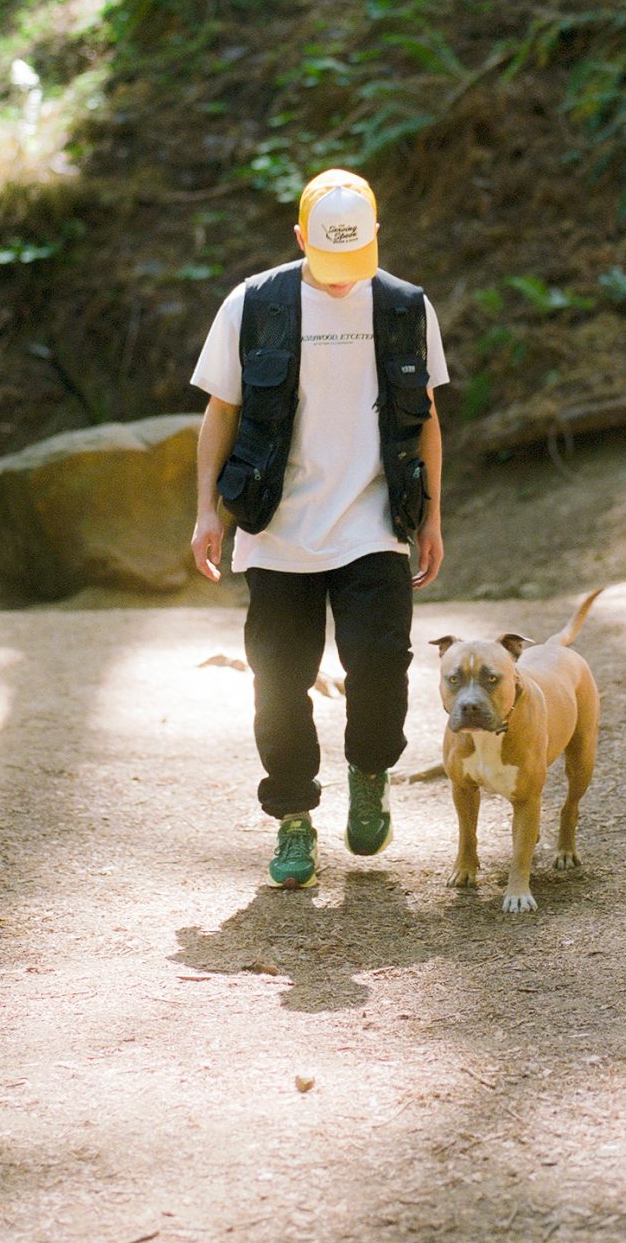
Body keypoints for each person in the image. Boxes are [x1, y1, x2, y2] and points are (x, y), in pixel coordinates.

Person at [189, 168, 448, 889]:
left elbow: (425, 419)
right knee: (278, 684)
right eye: (325, 262)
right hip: (275, 529)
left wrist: (430, 518)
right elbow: (221, 414)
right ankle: (294, 820)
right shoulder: (253, 304)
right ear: (300, 238)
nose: (339, 282)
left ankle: (369, 771)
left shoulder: (403, 306)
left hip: (372, 524)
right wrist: (207, 512)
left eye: (352, 262)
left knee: (378, 670)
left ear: (373, 239)